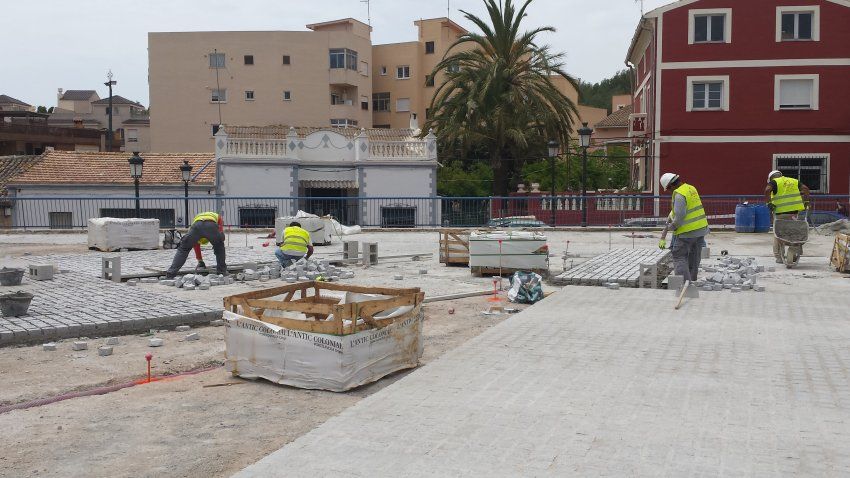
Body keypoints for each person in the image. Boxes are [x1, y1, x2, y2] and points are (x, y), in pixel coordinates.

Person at [658, 173, 709, 283]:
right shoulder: (691, 188)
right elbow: (678, 210)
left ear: (671, 186)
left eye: (668, 189)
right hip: (700, 230)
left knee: (678, 255)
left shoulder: (679, 194)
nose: (669, 192)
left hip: (687, 232)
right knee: (694, 257)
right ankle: (692, 281)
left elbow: (679, 216)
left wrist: (671, 227)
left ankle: (684, 285)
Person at [764, 170, 810, 263]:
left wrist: (769, 203)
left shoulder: (774, 182)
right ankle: (796, 251)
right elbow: (805, 189)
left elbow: (767, 190)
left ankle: (779, 257)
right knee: (793, 232)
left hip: (780, 213)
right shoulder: (793, 181)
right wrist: (806, 202)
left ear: (771, 178)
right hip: (794, 213)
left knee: (778, 234)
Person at [166, 211, 226, 278]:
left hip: (197, 225)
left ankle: (170, 274)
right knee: (220, 248)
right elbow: (221, 234)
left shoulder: (198, 218)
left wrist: (200, 260)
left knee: (183, 249)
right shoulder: (218, 217)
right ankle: (222, 272)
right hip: (211, 225)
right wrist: (219, 240)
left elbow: (195, 245)